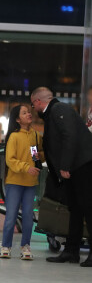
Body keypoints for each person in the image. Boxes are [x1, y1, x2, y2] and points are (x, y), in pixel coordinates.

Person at [31, 87, 92, 267]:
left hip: (81, 166)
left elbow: (69, 136)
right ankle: (71, 251)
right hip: (74, 167)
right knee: (75, 208)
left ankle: (75, 250)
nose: (33, 110)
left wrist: (64, 165)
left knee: (88, 208)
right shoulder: (52, 115)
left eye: (32, 105)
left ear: (38, 102)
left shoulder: (59, 109)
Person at [0, 105, 44, 260]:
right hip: (14, 182)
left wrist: (40, 156)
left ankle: (26, 246)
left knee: (27, 217)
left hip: (31, 183)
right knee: (11, 216)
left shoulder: (36, 136)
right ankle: (6, 246)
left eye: (28, 112)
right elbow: (10, 160)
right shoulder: (14, 136)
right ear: (18, 119)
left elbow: (38, 156)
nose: (28, 114)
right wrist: (27, 168)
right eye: (24, 113)